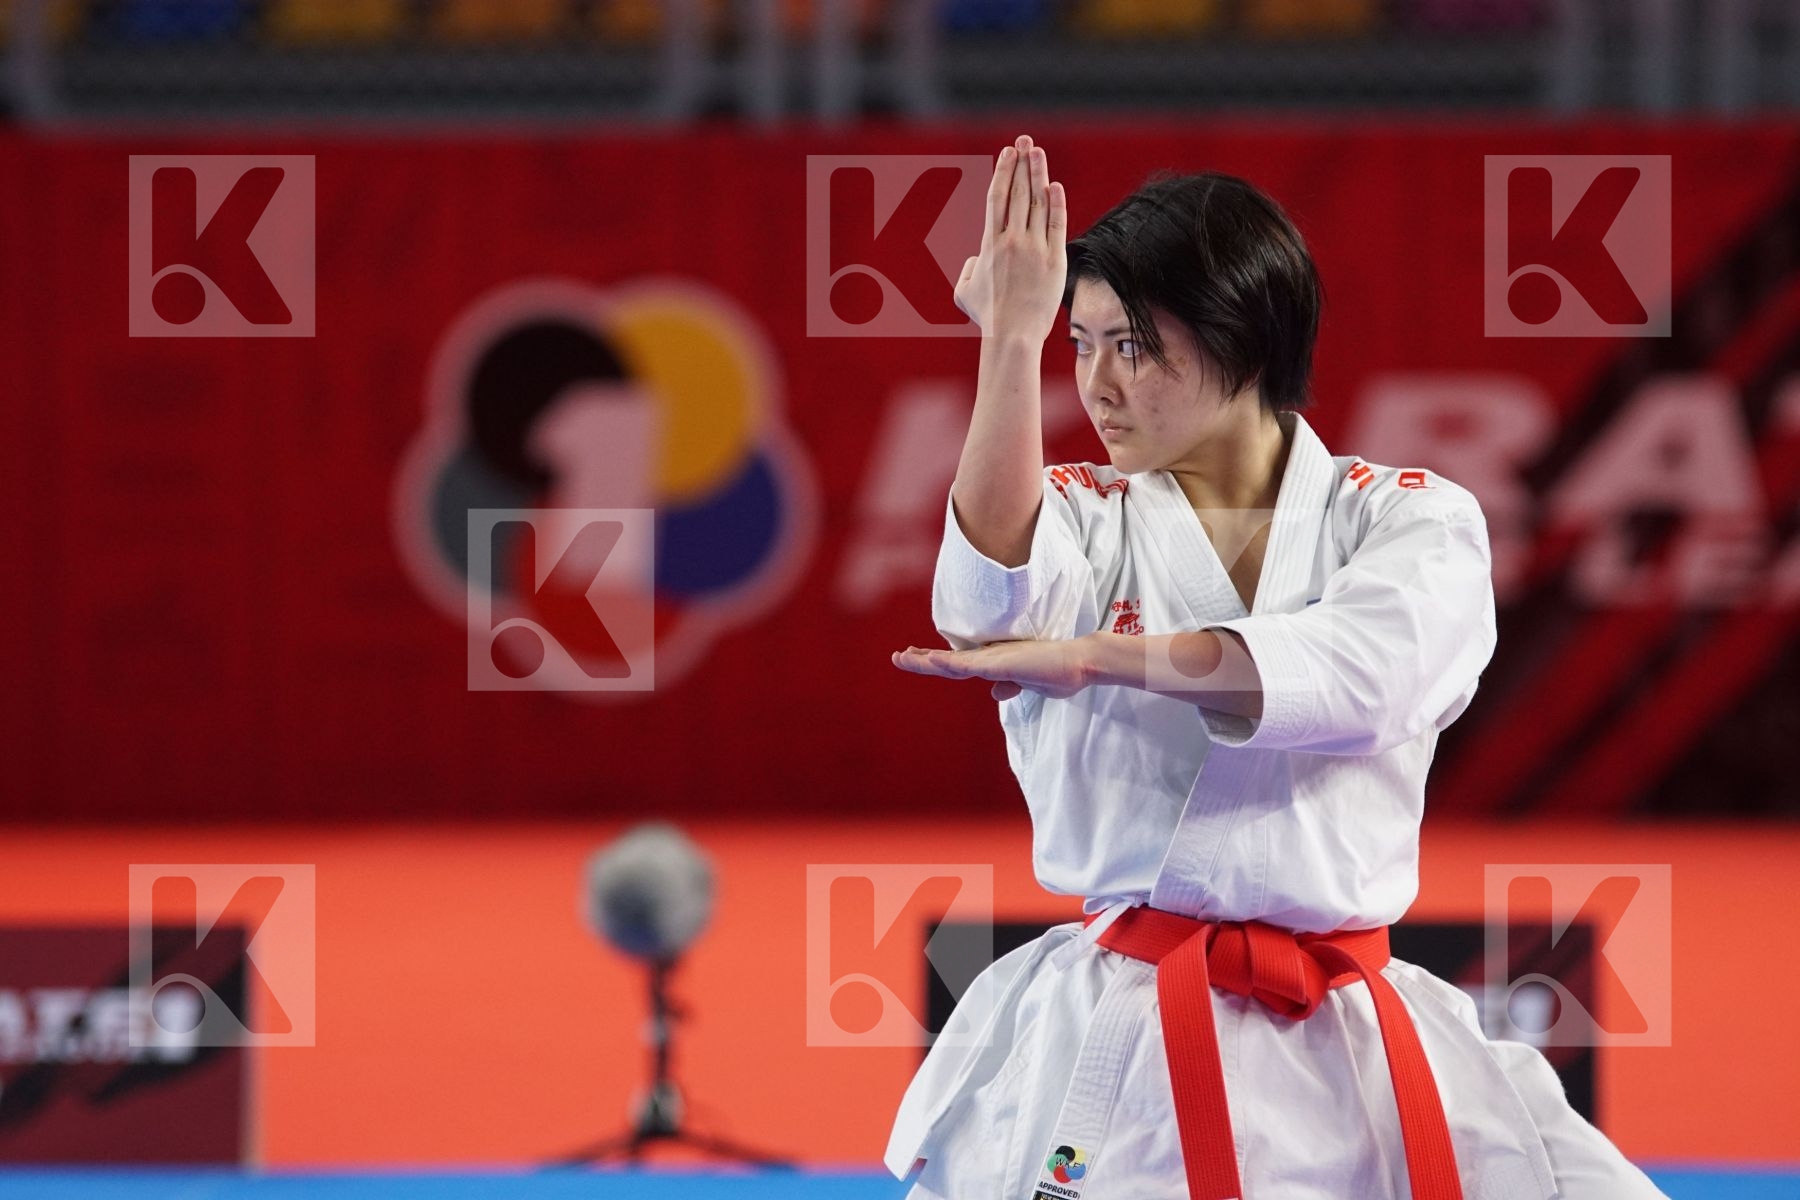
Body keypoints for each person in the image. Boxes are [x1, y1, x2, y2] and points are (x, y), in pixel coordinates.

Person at [886, 134, 1669, 1200]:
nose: (1098, 384)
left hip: (1354, 1026)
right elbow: (982, 610)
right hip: (1129, 1037)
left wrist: (1098, 657)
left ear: (1242, 339)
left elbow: (1362, 679)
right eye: (1080, 343)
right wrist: (1007, 345)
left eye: (1135, 346)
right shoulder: (1083, 514)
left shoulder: (1409, 515)